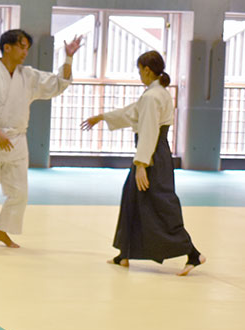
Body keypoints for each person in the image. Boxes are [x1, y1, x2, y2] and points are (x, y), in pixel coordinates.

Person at [81, 50, 205, 276]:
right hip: (155, 153)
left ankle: (193, 253)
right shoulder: (157, 93)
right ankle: (124, 253)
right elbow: (132, 113)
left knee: (159, 203)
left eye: (140, 70)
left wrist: (141, 165)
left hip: (152, 155)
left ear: (147, 70)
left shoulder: (152, 96)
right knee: (132, 197)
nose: (139, 75)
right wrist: (102, 117)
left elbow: (148, 130)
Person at [0, 30, 84, 249]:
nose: (25, 52)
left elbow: (58, 83)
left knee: (19, 191)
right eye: (22, 46)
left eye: (27, 47)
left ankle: (3, 231)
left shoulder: (27, 76)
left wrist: (68, 57)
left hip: (17, 139)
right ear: (7, 47)